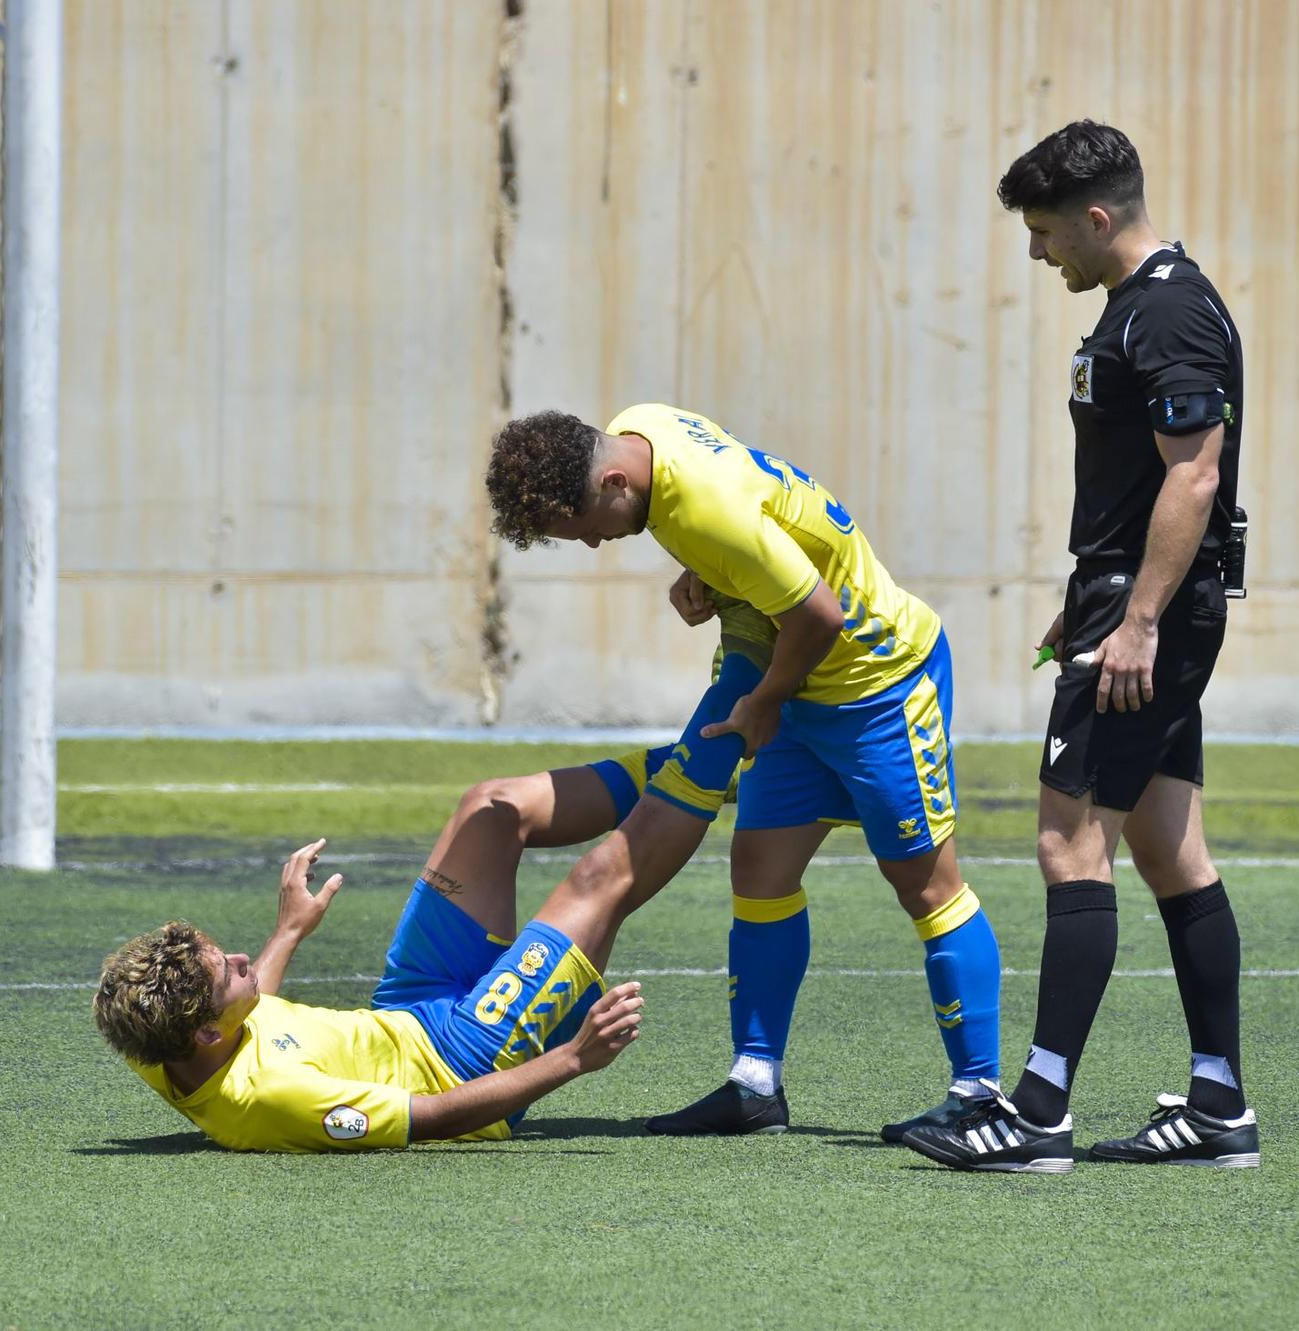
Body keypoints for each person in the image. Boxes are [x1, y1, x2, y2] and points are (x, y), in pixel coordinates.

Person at [485, 403, 1005, 1140]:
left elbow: (820, 613)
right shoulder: (644, 424)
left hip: (875, 683)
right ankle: (755, 1083)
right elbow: (762, 525)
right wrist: (712, 579)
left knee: (925, 883)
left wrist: (764, 701)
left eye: (587, 526)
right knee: (759, 869)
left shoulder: (705, 509)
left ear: (611, 481)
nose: (597, 543)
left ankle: (980, 1096)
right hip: (795, 681)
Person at [91, 601, 773, 1152]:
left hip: (406, 1008)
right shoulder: (271, 1102)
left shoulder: (159, 1036)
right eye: (229, 970)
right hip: (467, 1059)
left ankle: (725, 760)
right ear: (205, 1032)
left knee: (490, 807)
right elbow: (437, 1114)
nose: (242, 960)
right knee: (602, 876)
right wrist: (575, 1057)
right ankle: (748, 677)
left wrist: (288, 931)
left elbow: (246, 1010)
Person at [903, 120, 1258, 1173]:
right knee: (1165, 844)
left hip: (1149, 617)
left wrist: (1135, 617)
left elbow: (1193, 474)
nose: (1035, 253)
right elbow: (1143, 483)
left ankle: (1036, 1114)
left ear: (1096, 218)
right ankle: (1216, 1104)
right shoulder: (1137, 307)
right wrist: (1095, 590)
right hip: (1129, 599)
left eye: (1046, 232)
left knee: (1068, 843)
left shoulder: (1167, 311)